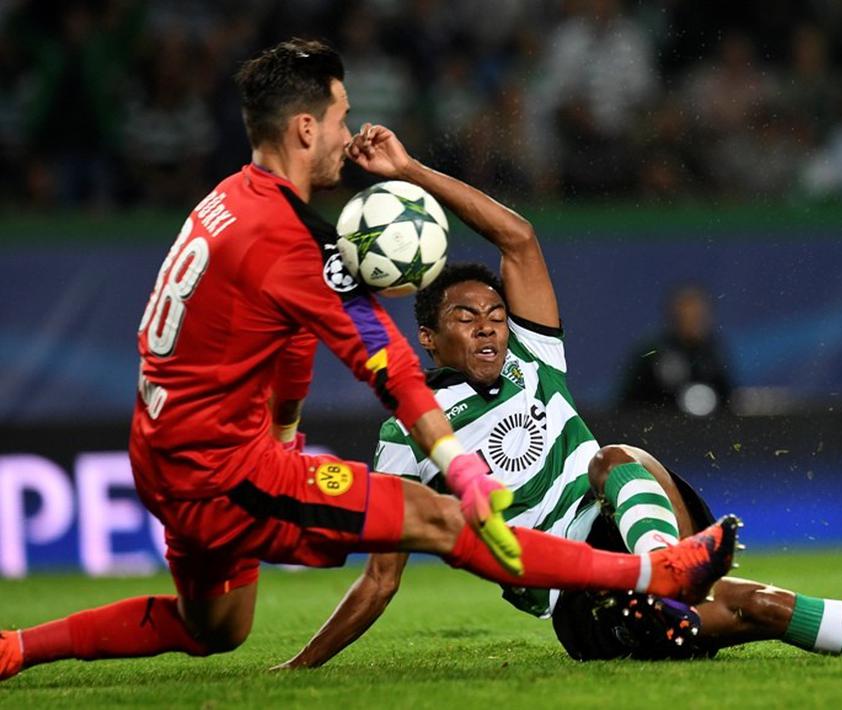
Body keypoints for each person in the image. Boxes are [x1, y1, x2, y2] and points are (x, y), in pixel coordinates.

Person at [0, 39, 737, 682]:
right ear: (304, 126)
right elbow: (386, 362)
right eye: (342, 116)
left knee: (214, 628)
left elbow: (288, 342)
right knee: (441, 519)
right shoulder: (290, 240)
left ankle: (15, 648)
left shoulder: (224, 202)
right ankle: (651, 568)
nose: (347, 134)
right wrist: (459, 461)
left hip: (162, 454)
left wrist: (286, 428)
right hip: (222, 470)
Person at [275, 149, 842, 668]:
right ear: (428, 336)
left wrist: (411, 171)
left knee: (619, 459)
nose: (487, 328)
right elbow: (380, 579)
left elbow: (517, 239)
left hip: (635, 542)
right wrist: (294, 671)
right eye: (465, 319)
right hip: (579, 602)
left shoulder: (535, 366)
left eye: (494, 317)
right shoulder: (404, 431)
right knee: (758, 605)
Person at [619, 284, 733, 416]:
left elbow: (728, 401)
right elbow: (626, 403)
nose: (692, 321)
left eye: (697, 316)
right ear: (674, 316)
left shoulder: (714, 354)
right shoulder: (653, 352)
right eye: (686, 314)